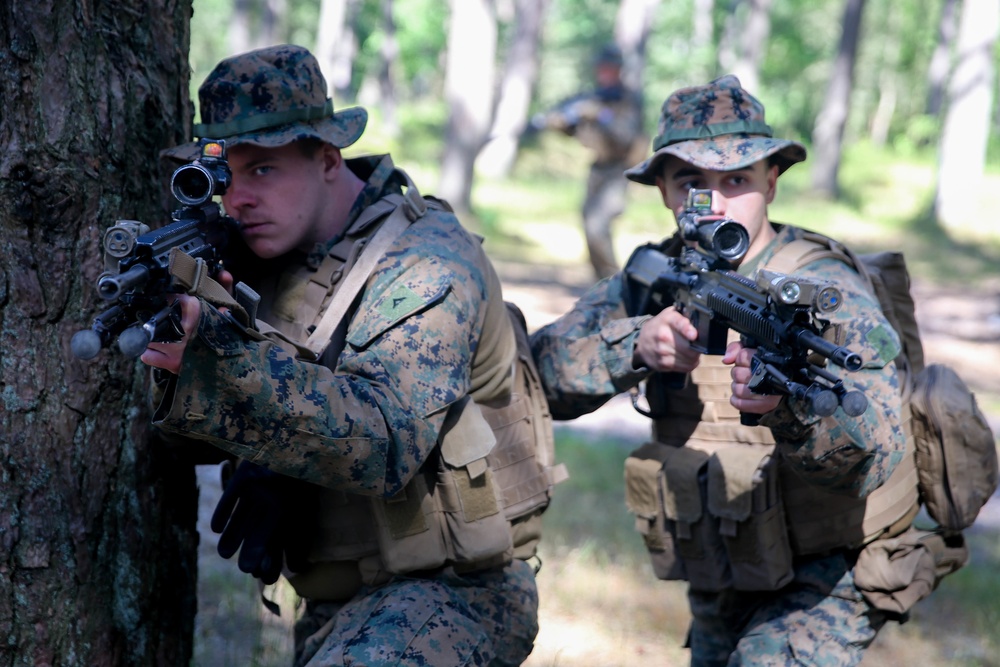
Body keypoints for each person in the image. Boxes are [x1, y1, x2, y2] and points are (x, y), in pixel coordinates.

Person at [143, 44, 553, 666]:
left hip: (455, 595)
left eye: (264, 170)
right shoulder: (265, 263)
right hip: (338, 607)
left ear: (328, 158)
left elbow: (386, 443)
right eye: (228, 176)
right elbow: (186, 444)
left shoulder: (427, 259)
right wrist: (188, 352)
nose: (239, 199)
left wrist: (225, 363)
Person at [530, 75, 915, 666]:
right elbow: (536, 380)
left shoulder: (821, 290)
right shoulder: (656, 271)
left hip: (834, 562)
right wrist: (633, 346)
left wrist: (789, 409)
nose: (715, 201)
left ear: (771, 182)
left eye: (736, 179)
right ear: (661, 189)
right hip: (729, 565)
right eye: (691, 182)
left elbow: (876, 457)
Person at [529, 44, 646, 280]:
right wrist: (562, 124)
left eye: (609, 69)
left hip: (619, 170)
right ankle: (601, 283)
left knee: (598, 225)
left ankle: (615, 284)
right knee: (587, 223)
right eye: (601, 69)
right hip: (598, 168)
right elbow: (577, 131)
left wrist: (601, 115)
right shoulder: (591, 98)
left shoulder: (626, 100)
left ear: (618, 71)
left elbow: (627, 136)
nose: (604, 74)